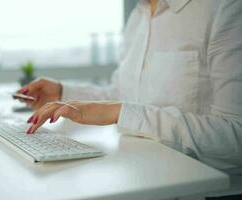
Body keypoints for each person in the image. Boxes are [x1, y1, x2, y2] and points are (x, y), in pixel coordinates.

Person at [16, 0, 242, 182]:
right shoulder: (139, 15)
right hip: (142, 173)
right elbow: (122, 95)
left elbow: (236, 137)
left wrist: (122, 112)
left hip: (206, 187)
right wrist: (62, 94)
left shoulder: (224, 8)